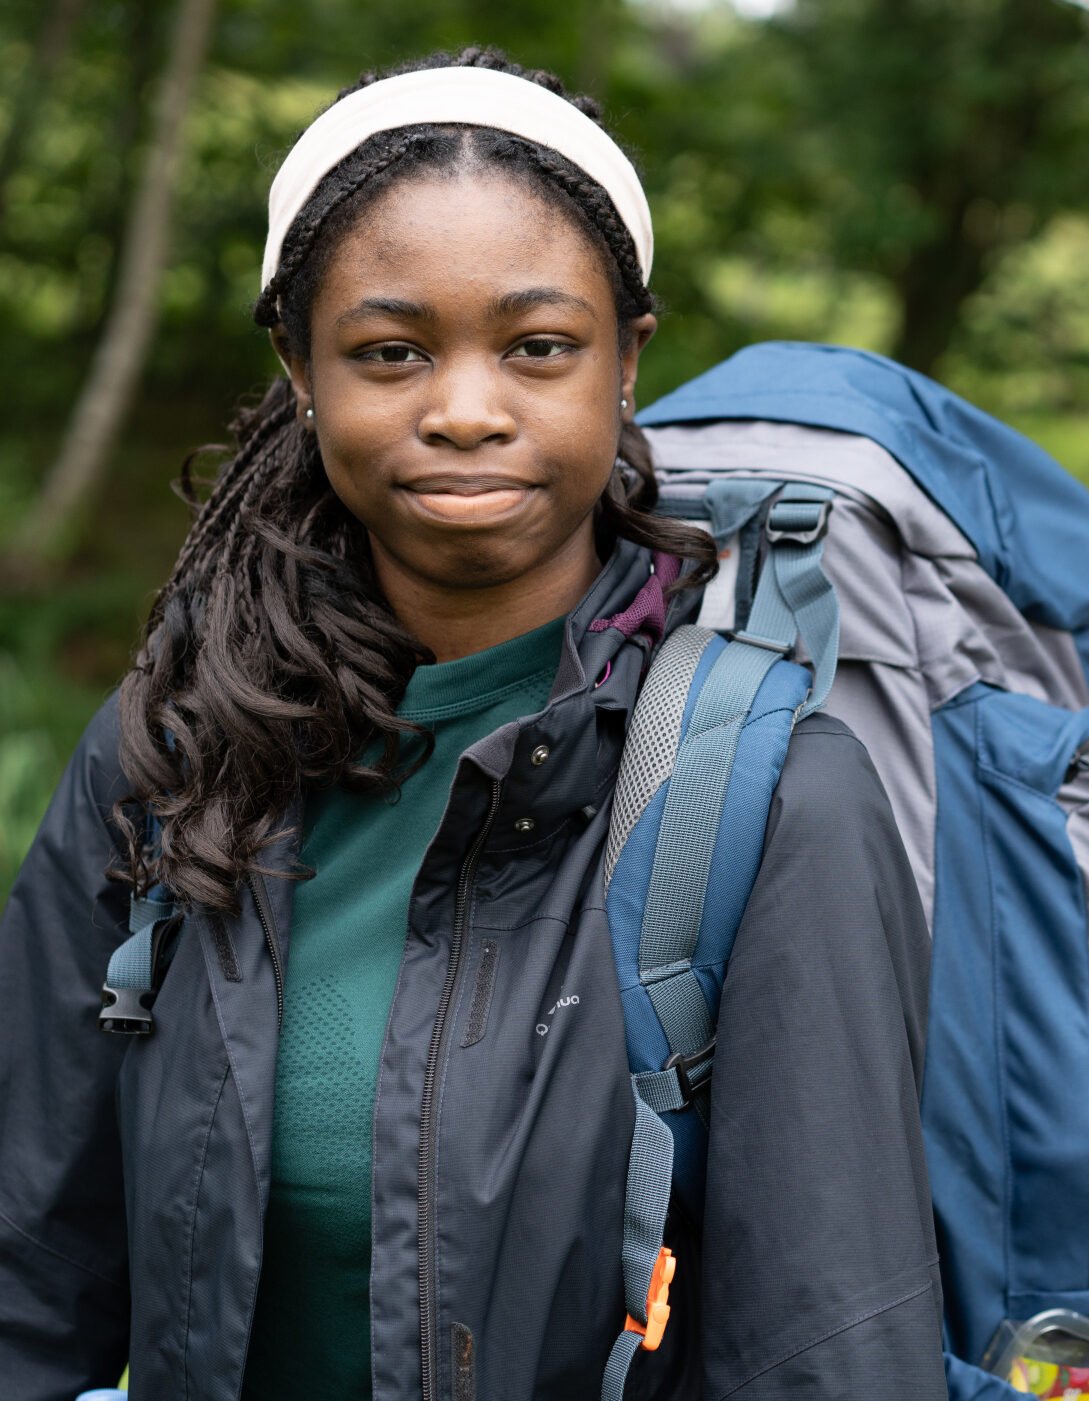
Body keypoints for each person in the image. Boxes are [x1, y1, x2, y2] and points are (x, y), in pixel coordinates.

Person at [0, 47, 949, 1401]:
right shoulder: (174, 750)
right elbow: (28, 1272)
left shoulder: (770, 793)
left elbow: (828, 1352)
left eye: (536, 346)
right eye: (390, 351)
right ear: (300, 364)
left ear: (625, 360)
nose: (462, 409)